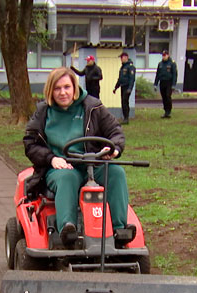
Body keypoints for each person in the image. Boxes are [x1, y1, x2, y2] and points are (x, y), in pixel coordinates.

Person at [24, 67, 136, 247]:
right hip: (60, 166)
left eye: (67, 87)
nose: (63, 92)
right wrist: (51, 158)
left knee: (116, 173)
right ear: (50, 90)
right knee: (68, 177)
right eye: (57, 88)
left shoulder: (93, 107)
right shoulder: (43, 112)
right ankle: (67, 229)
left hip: (92, 163)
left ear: (75, 88)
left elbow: (115, 131)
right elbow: (30, 143)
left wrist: (113, 148)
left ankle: (120, 229)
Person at [113, 52, 136, 125]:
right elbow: (120, 79)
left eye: (122, 58)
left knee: (125, 101)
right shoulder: (122, 67)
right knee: (123, 102)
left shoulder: (130, 66)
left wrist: (130, 88)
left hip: (127, 86)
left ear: (126, 57)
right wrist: (116, 87)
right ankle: (125, 117)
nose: (121, 59)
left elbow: (132, 79)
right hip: (122, 86)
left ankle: (126, 118)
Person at [154, 49, 177, 119]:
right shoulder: (160, 64)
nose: (164, 57)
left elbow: (174, 74)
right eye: (163, 55)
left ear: (168, 55)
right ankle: (165, 111)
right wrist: (155, 84)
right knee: (164, 97)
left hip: (169, 82)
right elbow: (157, 74)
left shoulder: (172, 63)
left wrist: (173, 85)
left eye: (165, 55)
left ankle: (169, 111)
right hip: (162, 82)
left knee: (168, 96)